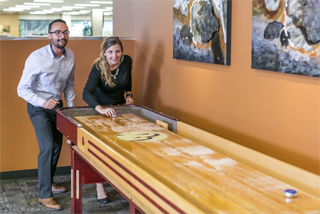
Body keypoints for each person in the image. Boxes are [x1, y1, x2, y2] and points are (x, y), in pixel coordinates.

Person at [17, 19, 75, 211]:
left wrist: (71, 110)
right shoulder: (36, 57)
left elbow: (69, 85)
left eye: (65, 32)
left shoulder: (70, 56)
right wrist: (42, 102)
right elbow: (22, 89)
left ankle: (48, 183)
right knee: (48, 146)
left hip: (58, 107)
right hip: (38, 107)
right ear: (49, 35)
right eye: (57, 32)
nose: (62, 36)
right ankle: (44, 195)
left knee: (57, 146)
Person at [82, 36, 134, 203]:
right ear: (104, 53)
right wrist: (101, 109)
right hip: (100, 108)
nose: (114, 55)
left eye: (118, 51)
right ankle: (99, 187)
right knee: (101, 151)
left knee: (122, 146)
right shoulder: (98, 67)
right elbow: (86, 93)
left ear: (122, 52)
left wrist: (129, 94)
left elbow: (128, 80)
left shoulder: (127, 61)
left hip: (119, 109)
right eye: (110, 51)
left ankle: (119, 181)